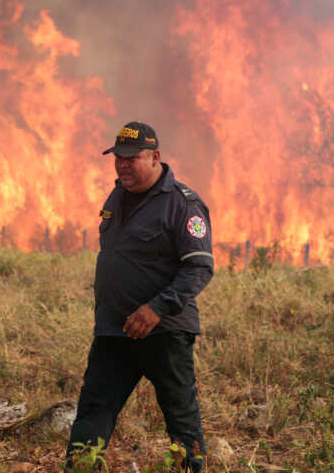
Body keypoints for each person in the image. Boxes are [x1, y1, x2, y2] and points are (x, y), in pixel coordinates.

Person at [66, 121, 214, 472]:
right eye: (118, 157)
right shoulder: (116, 197)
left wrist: (156, 309)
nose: (123, 164)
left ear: (155, 157)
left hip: (163, 332)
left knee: (181, 418)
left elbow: (199, 269)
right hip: (115, 331)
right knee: (92, 414)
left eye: (132, 158)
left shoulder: (182, 205)